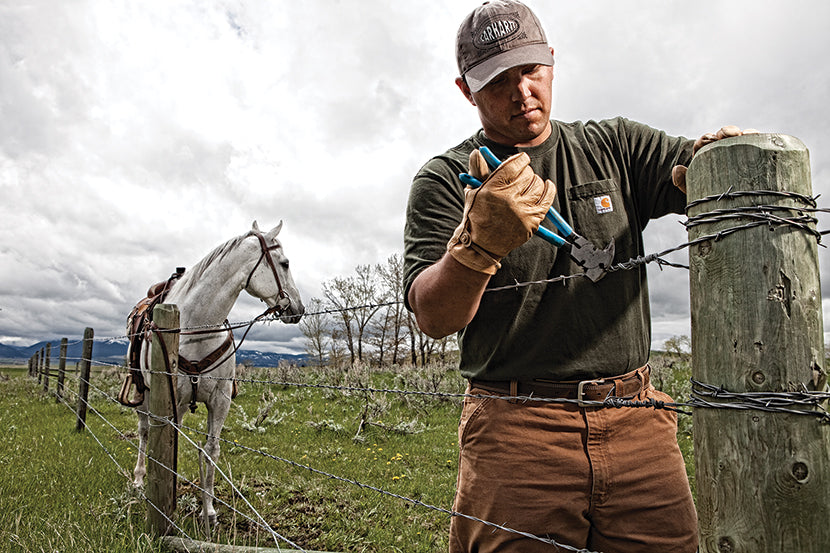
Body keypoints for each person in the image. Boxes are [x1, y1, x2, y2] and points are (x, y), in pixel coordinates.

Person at [403, 1, 754, 552]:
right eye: (497, 81)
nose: (522, 93)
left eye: (530, 71)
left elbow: (702, 167)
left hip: (637, 420)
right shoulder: (446, 179)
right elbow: (433, 315)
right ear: (465, 90)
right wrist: (477, 248)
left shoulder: (614, 146)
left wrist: (725, 159)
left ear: (551, 61)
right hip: (516, 432)